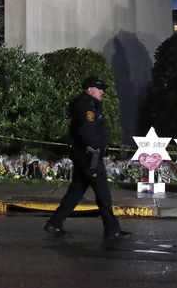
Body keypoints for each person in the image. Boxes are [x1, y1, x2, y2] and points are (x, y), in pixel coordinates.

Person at [44, 76, 131, 240]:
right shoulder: (86, 105)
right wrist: (96, 146)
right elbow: (87, 131)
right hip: (89, 155)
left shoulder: (88, 103)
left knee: (76, 192)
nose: (102, 92)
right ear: (90, 89)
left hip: (86, 155)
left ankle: (54, 224)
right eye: (99, 89)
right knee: (103, 193)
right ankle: (112, 230)